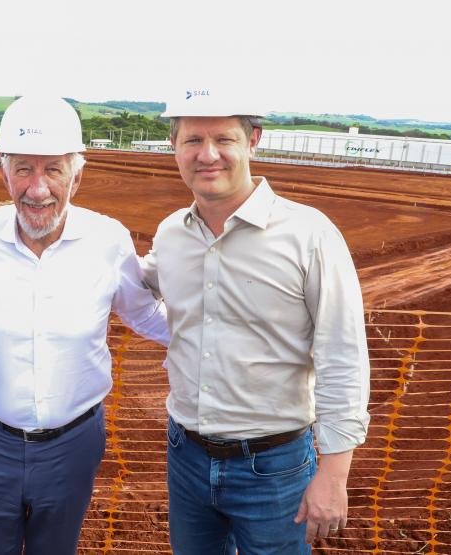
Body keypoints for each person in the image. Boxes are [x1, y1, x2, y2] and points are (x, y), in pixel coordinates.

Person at [141, 88, 370, 554]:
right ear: (173, 146)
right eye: (192, 140)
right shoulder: (170, 235)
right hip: (186, 456)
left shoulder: (309, 235)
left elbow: (342, 355)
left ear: (253, 140)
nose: (208, 155)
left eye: (223, 138)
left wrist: (333, 474)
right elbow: (131, 282)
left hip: (275, 466)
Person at [0, 96, 169, 555]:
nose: (37, 190)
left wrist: (221, 337)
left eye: (53, 170)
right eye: (23, 170)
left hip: (73, 443)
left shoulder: (107, 240)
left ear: (78, 175)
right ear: (3, 173)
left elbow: (145, 313)